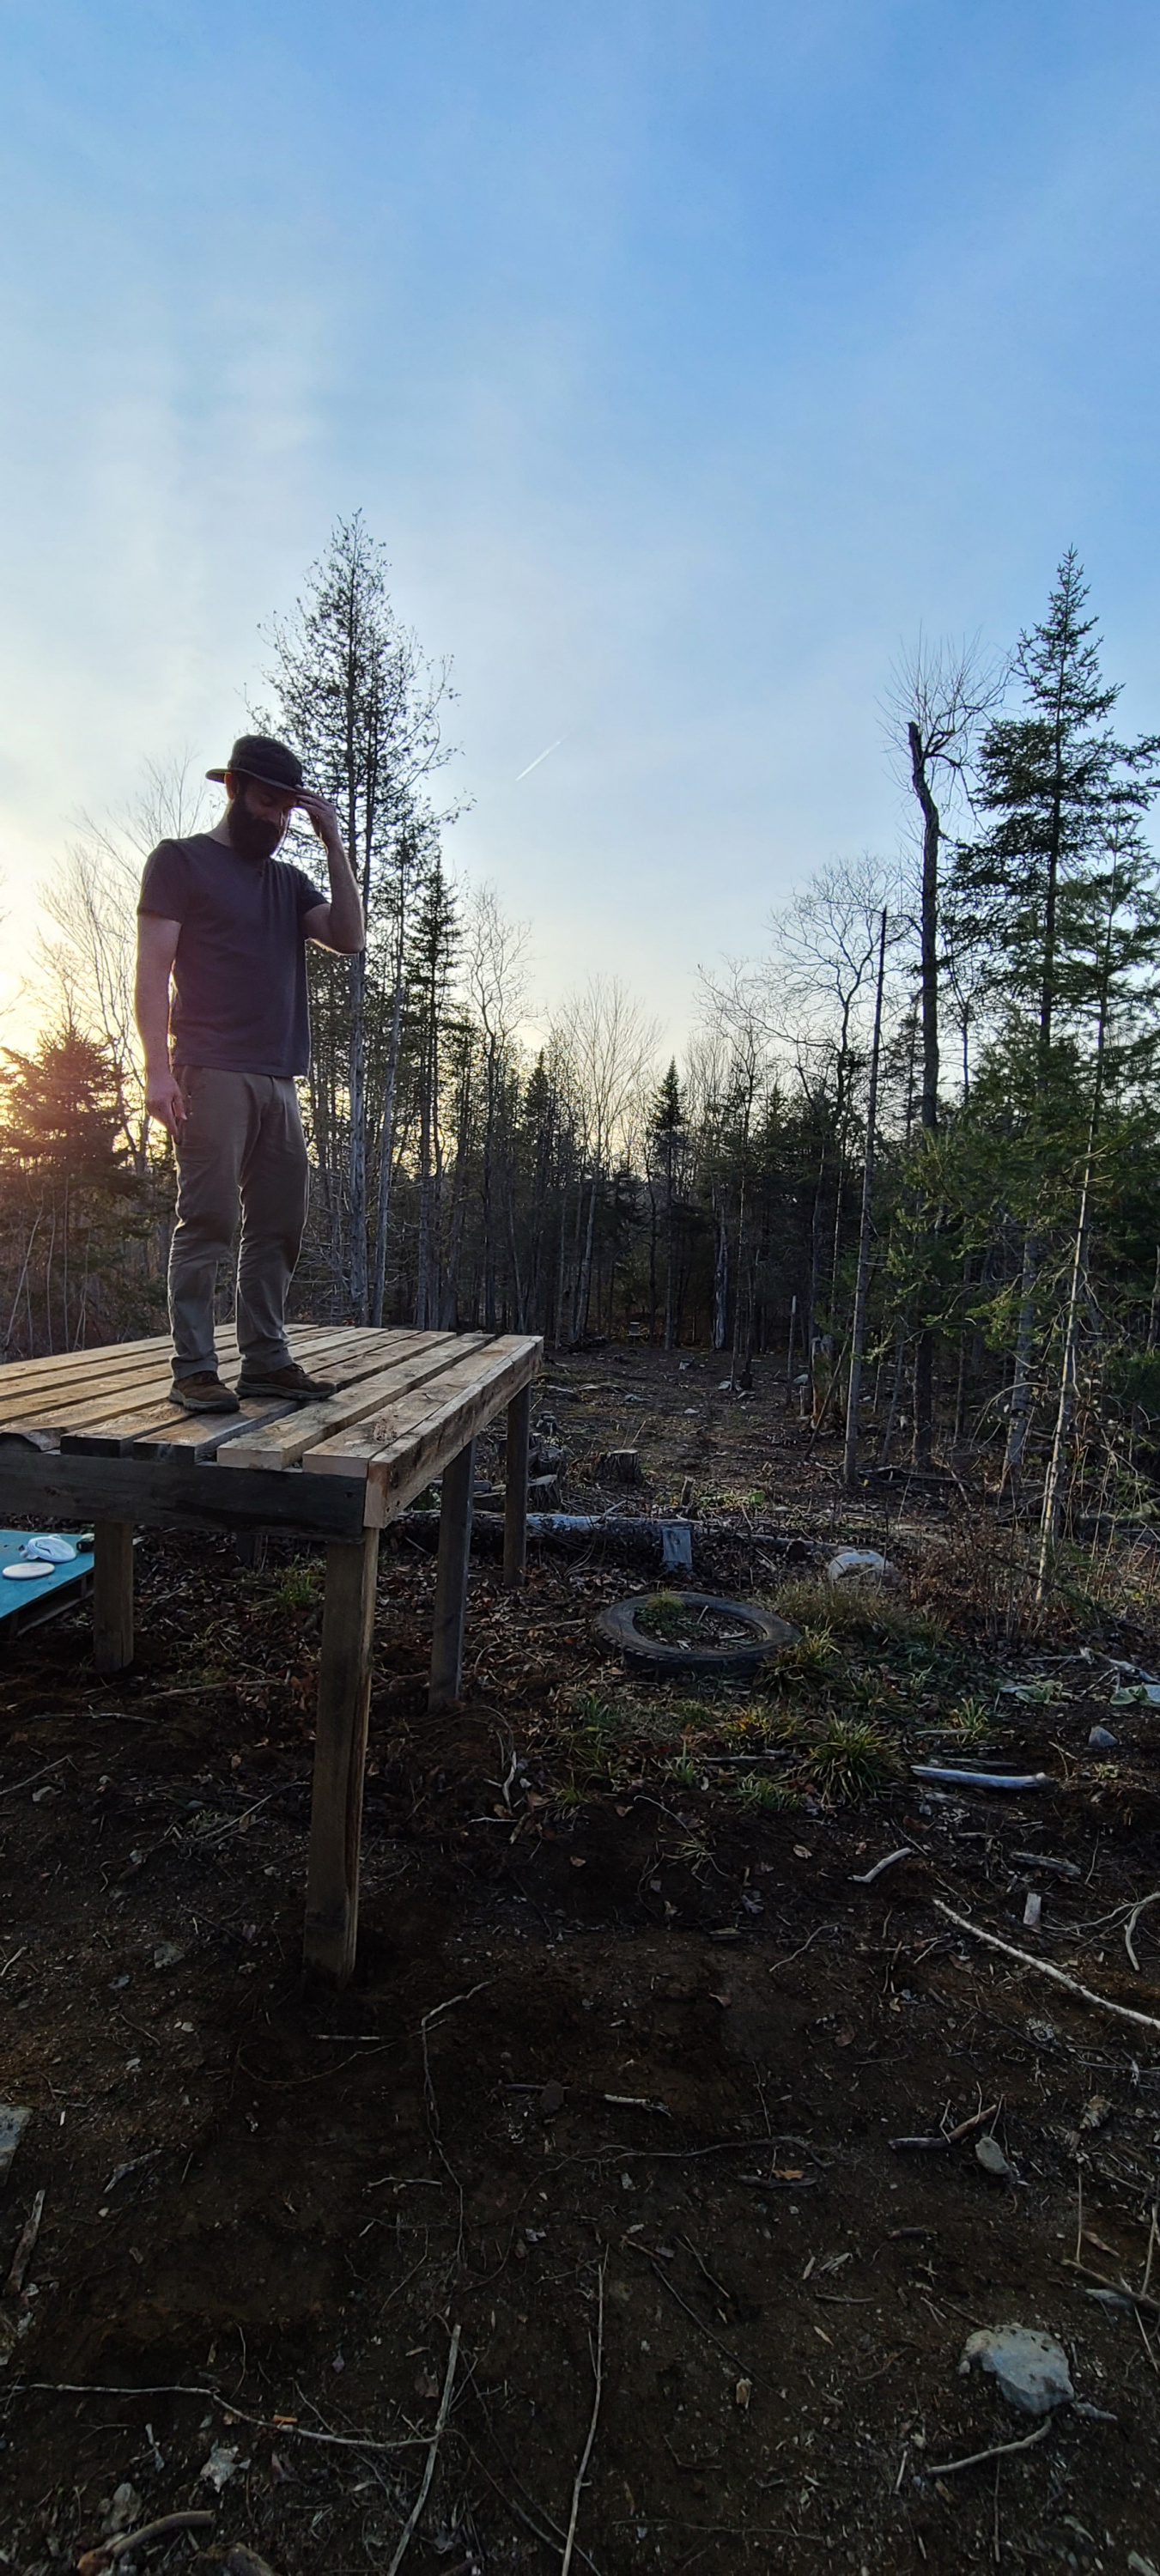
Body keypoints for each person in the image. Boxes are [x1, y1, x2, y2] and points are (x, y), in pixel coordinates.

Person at [135, 733, 365, 1413]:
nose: (276, 819)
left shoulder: (288, 884)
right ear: (233, 788)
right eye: (267, 801)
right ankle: (195, 1370)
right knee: (207, 1221)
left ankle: (265, 1361)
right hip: (207, 1068)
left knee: (278, 1225)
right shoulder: (179, 863)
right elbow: (151, 973)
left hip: (279, 1078)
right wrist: (156, 1071)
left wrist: (332, 844)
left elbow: (349, 937)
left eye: (288, 809)